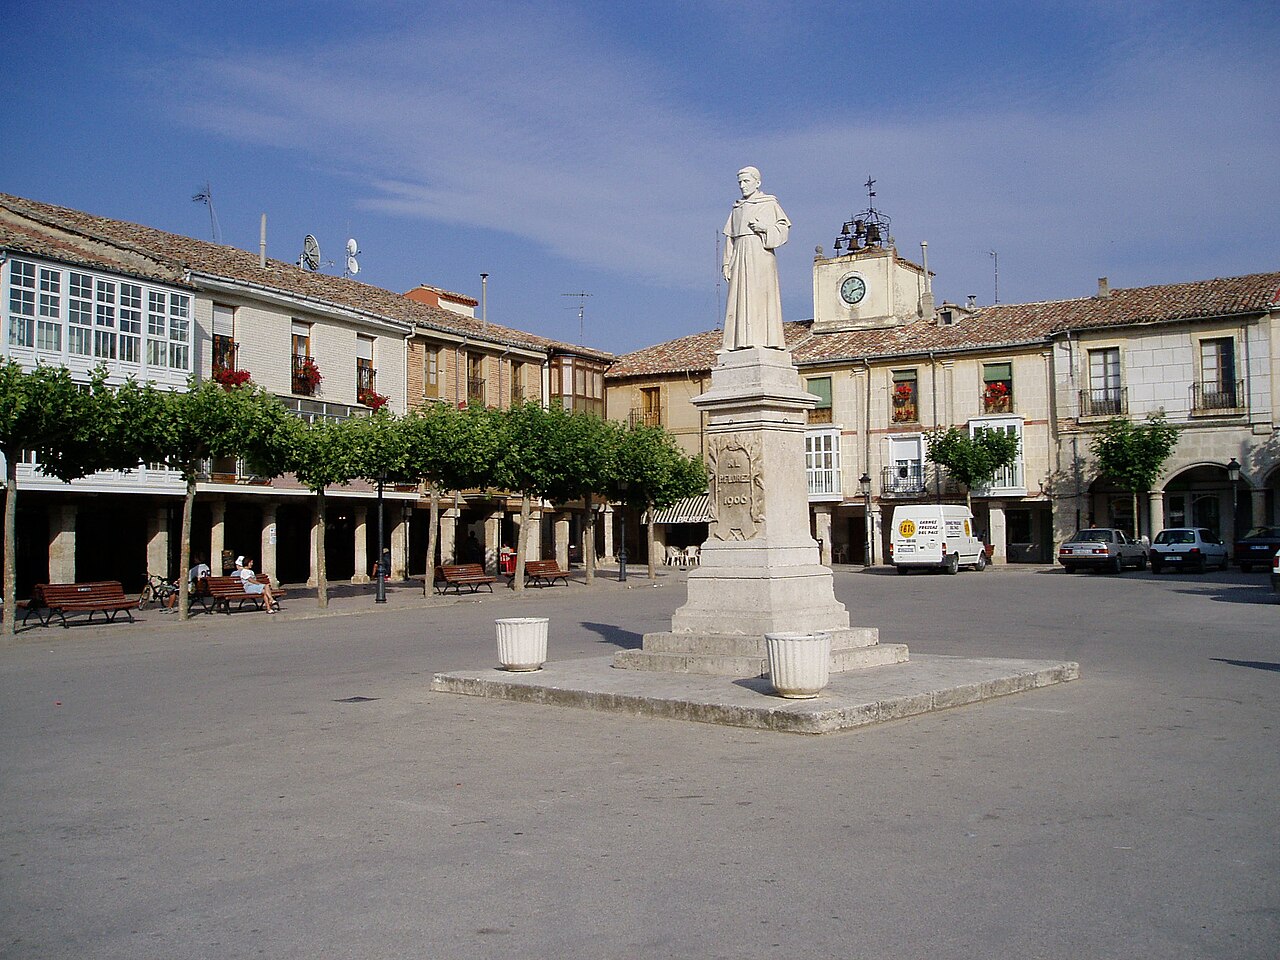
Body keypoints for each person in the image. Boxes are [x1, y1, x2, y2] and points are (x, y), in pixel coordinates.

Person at [721, 166, 790, 351]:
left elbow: (783, 230)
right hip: (740, 255)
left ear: (757, 183)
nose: (742, 186)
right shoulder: (737, 208)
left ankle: (764, 340)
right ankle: (737, 342)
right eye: (740, 182)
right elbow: (730, 238)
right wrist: (726, 263)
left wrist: (764, 228)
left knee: (761, 297)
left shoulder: (769, 203)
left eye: (746, 181)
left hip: (761, 254)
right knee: (738, 298)